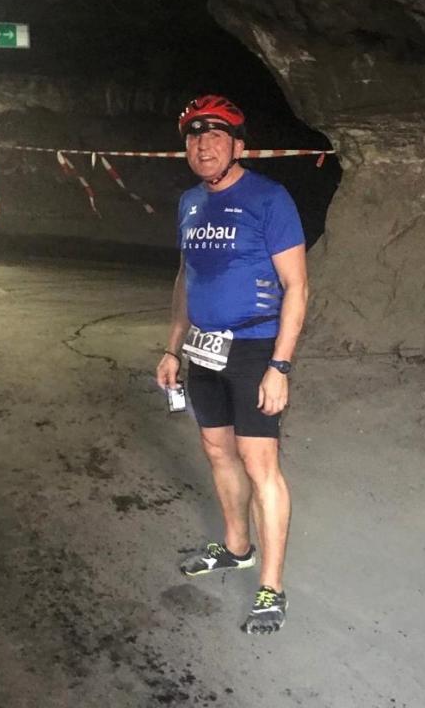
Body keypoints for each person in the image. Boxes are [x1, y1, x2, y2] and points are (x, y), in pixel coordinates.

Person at [156, 95, 308, 634]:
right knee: (217, 449)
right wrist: (173, 347)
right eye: (195, 136)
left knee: (259, 463)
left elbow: (296, 286)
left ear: (238, 145)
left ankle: (272, 588)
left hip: (254, 348)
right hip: (204, 349)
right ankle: (237, 547)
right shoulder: (189, 203)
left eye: (216, 135)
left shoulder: (269, 198)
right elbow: (186, 278)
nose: (203, 145)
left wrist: (280, 366)